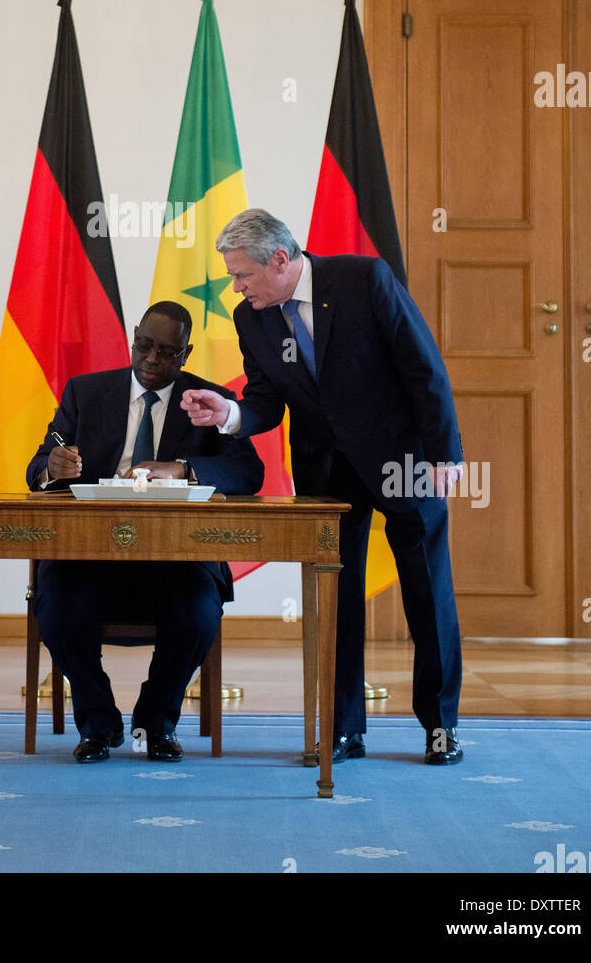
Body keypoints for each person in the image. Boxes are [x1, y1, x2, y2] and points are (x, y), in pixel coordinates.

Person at [181, 209, 465, 766]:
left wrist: (445, 454)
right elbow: (266, 400)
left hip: (401, 457)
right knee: (335, 597)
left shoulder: (364, 280)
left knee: (426, 592)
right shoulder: (252, 318)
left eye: (242, 275)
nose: (235, 288)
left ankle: (441, 726)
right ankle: (342, 728)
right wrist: (230, 414)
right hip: (326, 469)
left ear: (281, 260)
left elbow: (422, 368)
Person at [27, 301, 264, 764]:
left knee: (199, 610)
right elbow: (39, 464)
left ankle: (156, 723)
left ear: (186, 352)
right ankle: (98, 724)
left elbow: (249, 471)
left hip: (177, 561)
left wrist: (183, 469)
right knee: (54, 604)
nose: (152, 360)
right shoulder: (86, 393)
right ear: (133, 337)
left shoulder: (207, 400)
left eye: (167, 352)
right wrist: (52, 469)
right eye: (144, 346)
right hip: (92, 558)